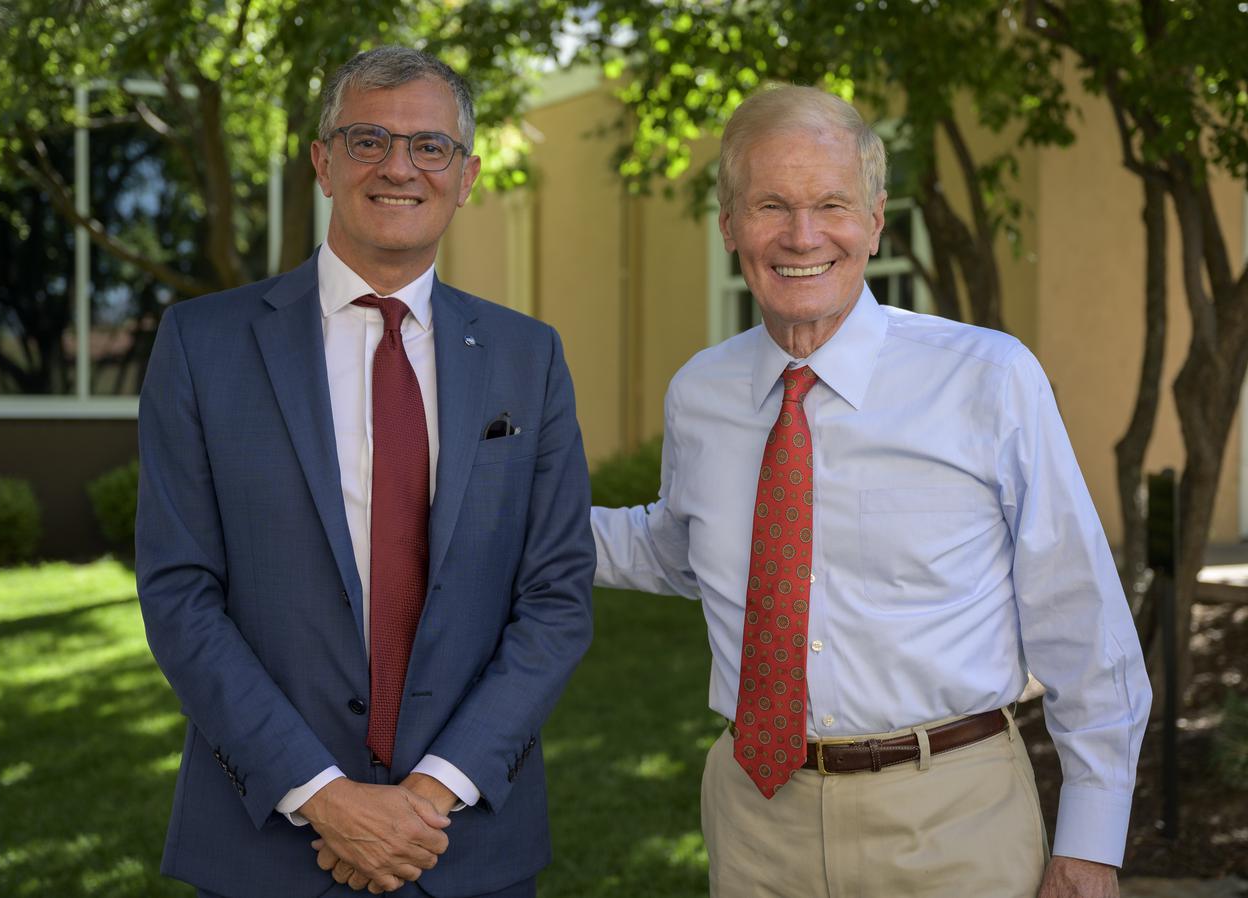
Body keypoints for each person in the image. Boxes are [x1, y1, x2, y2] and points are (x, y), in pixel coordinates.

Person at [591, 84, 1150, 898]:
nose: (802, 235)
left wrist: (1092, 842)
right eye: (771, 206)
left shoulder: (987, 379)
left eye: (831, 204)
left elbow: (1079, 614)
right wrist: (512, 523)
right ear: (728, 226)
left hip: (954, 823)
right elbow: (686, 549)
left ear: (876, 219)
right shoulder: (701, 393)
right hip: (756, 826)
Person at [136, 46, 594, 898]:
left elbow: (558, 597)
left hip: (462, 843)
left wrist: (429, 794)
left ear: (466, 177)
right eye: (367, 139)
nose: (398, 167)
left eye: (430, 147)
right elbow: (179, 593)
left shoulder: (527, 358)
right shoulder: (203, 346)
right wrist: (324, 797)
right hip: (266, 846)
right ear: (322, 163)